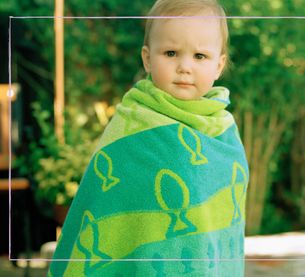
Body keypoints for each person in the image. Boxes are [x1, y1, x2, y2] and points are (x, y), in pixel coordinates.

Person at [48, 0, 249, 276]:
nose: (184, 66)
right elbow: (102, 204)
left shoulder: (222, 130)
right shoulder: (133, 127)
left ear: (218, 65)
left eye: (200, 56)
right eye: (170, 52)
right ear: (147, 58)